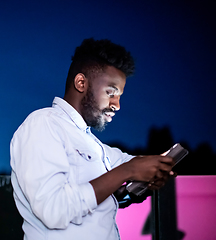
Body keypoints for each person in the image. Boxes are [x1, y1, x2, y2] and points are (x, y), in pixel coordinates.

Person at [10, 38, 175, 240]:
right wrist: (129, 171)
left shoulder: (94, 145)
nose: (117, 105)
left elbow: (131, 162)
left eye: (120, 96)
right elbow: (52, 210)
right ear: (81, 83)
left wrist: (145, 177)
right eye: (111, 92)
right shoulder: (43, 125)